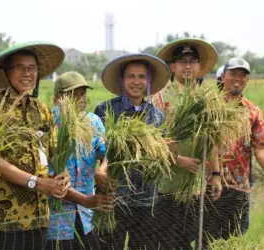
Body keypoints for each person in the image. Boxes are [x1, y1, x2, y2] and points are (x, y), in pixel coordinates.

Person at [0, 42, 70, 250]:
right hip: (4, 219)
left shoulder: (42, 110)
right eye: (20, 68)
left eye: (32, 68)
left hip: (40, 216)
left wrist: (63, 175)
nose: (27, 73)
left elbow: (54, 152)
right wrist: (35, 182)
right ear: (6, 72)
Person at [94, 53, 171, 249]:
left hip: (146, 199)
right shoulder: (105, 111)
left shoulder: (157, 116)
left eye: (142, 77)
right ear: (122, 80)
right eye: (131, 76)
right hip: (113, 198)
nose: (136, 82)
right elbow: (95, 150)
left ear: (149, 81)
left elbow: (164, 154)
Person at [152, 38, 222, 249]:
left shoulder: (208, 99)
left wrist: (217, 175)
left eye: (193, 61)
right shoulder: (159, 97)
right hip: (167, 186)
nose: (188, 66)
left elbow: (213, 140)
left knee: (196, 241)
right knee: (170, 243)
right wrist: (177, 159)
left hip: (197, 187)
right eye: (182, 61)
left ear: (200, 67)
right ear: (172, 67)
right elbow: (152, 141)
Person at [46, 71, 113, 249]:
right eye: (72, 95)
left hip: (87, 219)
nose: (80, 99)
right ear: (57, 98)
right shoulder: (48, 125)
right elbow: (50, 178)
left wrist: (102, 169)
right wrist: (83, 199)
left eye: (82, 93)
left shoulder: (93, 121)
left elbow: (106, 152)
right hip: (56, 222)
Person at [203, 58, 264, 246]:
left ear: (247, 79)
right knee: (208, 239)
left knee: (236, 237)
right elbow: (206, 142)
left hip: (240, 185)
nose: (237, 79)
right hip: (210, 185)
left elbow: (260, 147)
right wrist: (214, 174)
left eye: (242, 75)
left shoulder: (253, 112)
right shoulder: (209, 106)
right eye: (233, 74)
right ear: (223, 76)